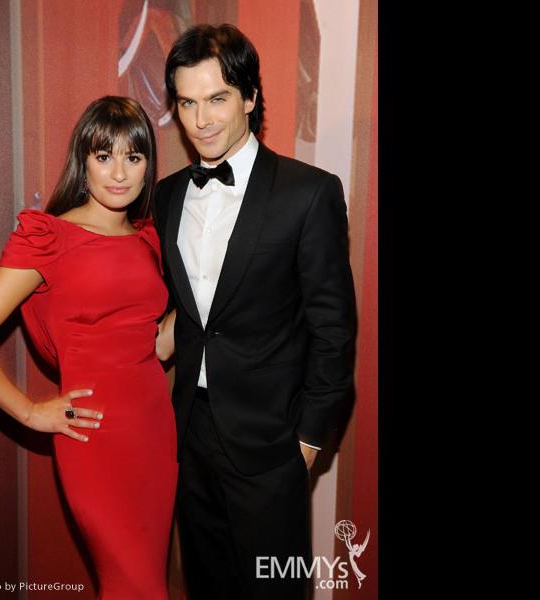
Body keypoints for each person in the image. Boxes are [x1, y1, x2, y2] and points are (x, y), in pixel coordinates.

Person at [153, 24, 357, 599]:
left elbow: (332, 328)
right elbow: (186, 315)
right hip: (190, 437)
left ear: (249, 98)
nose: (202, 119)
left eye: (217, 98)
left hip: (273, 445)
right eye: (187, 103)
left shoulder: (308, 192)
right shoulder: (167, 196)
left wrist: (309, 442)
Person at [0, 96, 177, 599]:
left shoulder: (147, 237)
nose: (119, 172)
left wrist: (218, 301)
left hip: (155, 432)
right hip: (94, 440)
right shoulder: (50, 236)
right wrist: (30, 412)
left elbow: (156, 346)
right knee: (137, 586)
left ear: (149, 166)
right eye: (104, 156)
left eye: (134, 156)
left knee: (142, 581)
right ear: (83, 163)